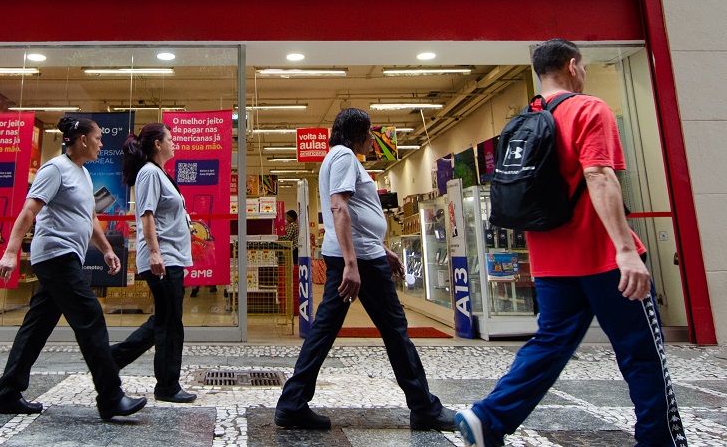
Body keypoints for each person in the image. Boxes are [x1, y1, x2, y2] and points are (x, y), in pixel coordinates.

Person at [455, 39, 687, 447]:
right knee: (641, 351)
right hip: (602, 257)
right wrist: (627, 250)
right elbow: (598, 174)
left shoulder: (526, 118)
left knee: (550, 343)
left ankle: (488, 418)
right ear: (573, 65)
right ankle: (658, 441)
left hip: (549, 259)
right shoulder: (589, 109)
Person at [275, 108, 455, 431]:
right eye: (371, 132)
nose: (374, 139)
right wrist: (352, 264)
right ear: (358, 132)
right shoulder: (344, 156)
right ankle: (424, 408)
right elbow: (339, 206)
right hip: (360, 262)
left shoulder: (337, 157)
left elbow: (353, 215)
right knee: (395, 330)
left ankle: (292, 402)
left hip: (362, 256)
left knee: (324, 331)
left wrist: (382, 250)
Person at [0, 116, 147, 420]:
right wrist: (11, 252)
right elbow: (29, 210)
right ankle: (111, 397)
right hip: (54, 254)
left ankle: (7, 394)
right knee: (89, 315)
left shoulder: (83, 175)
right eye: (98, 138)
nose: (102, 144)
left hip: (68, 256)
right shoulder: (54, 169)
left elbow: (89, 218)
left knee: (37, 326)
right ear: (83, 140)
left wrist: (105, 249)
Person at [110, 123, 198, 403]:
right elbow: (146, 215)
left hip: (171, 257)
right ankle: (168, 385)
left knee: (165, 319)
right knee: (171, 324)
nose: (175, 144)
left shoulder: (160, 174)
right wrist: (155, 253)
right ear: (158, 144)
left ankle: (112, 359)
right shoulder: (149, 173)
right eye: (170, 139)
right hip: (163, 259)